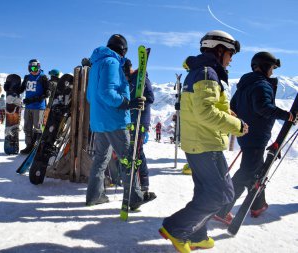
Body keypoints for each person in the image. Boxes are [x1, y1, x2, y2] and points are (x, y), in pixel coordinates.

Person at [159, 30, 248, 252]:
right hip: (205, 143)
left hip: (198, 141)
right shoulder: (208, 73)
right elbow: (204, 112)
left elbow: (202, 106)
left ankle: (197, 235)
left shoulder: (202, 71)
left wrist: (228, 113)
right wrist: (236, 126)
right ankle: (176, 228)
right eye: (230, 53)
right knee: (222, 194)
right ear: (219, 50)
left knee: (206, 191)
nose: (231, 59)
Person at [214, 52, 297, 223]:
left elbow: (233, 107)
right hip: (256, 137)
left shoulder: (244, 86)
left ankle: (258, 205)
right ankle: (222, 210)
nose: (272, 72)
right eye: (272, 67)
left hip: (246, 135)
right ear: (265, 66)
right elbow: (263, 108)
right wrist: (287, 115)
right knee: (246, 173)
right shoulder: (262, 85)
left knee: (257, 172)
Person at [85, 34, 155, 210]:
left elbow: (89, 95)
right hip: (114, 120)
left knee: (101, 159)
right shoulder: (112, 62)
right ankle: (135, 197)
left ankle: (95, 195)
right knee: (127, 159)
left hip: (99, 120)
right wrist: (127, 103)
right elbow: (107, 92)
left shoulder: (96, 64)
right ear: (123, 50)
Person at [124, 58, 156, 196]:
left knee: (138, 152)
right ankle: (136, 181)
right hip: (131, 120)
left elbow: (150, 97)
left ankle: (144, 182)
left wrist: (141, 99)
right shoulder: (129, 80)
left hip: (141, 120)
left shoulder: (141, 78)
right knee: (132, 151)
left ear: (129, 70)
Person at [20, 59, 51, 154]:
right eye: (32, 68)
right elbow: (21, 89)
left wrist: (34, 99)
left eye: (36, 67)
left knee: (37, 127)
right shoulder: (27, 77)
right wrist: (11, 87)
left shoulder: (43, 77)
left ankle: (37, 146)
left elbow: (47, 93)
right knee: (27, 127)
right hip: (28, 107)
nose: (34, 70)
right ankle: (28, 146)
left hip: (38, 107)